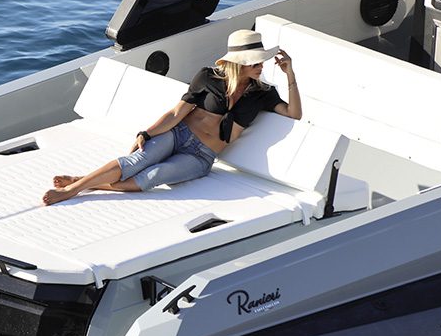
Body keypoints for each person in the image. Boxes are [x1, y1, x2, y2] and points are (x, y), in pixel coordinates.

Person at [42, 29, 301, 206]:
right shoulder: (208, 77)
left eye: (261, 62)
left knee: (153, 176)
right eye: (255, 62)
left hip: (202, 156)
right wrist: (146, 133)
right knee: (138, 161)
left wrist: (290, 74)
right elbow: (177, 113)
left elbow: (294, 114)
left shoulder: (263, 93)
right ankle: (71, 191)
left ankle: (84, 182)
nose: (261, 66)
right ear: (239, 63)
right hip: (178, 134)